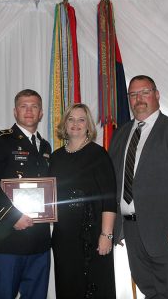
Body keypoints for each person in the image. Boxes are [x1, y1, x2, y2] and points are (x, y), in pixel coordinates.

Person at [109, 75, 168, 299]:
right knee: (150, 292)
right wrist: (116, 228)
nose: (138, 99)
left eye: (144, 92)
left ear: (157, 95)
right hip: (133, 232)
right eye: (133, 94)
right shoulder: (120, 134)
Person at [0, 89, 52, 299]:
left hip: (39, 243)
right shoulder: (1, 141)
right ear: (15, 111)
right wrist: (13, 216)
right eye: (23, 106)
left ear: (41, 113)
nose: (29, 111)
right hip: (7, 241)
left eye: (34, 106)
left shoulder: (45, 146)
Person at [50, 103, 117, 298]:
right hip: (63, 237)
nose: (76, 124)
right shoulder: (56, 158)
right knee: (68, 286)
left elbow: (109, 199)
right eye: (71, 119)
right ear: (64, 124)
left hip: (93, 236)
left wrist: (107, 235)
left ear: (88, 125)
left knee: (94, 288)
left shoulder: (98, 155)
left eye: (81, 119)